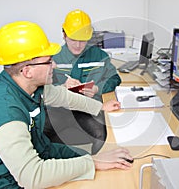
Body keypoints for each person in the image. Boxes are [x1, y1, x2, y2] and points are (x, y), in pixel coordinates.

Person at [0, 21, 133, 188]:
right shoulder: (3, 112)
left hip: (40, 150)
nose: (54, 65)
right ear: (27, 71)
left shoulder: (31, 86)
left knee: (93, 163)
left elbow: (64, 96)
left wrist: (99, 107)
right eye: (49, 61)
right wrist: (93, 163)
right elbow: (32, 177)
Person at [45, 9, 122, 154]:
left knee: (102, 135)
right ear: (64, 35)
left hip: (89, 109)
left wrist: (97, 89)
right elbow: (42, 88)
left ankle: (97, 166)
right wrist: (61, 87)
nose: (78, 45)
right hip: (60, 109)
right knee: (39, 134)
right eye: (73, 39)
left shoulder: (99, 56)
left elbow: (115, 78)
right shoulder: (53, 58)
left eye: (82, 40)